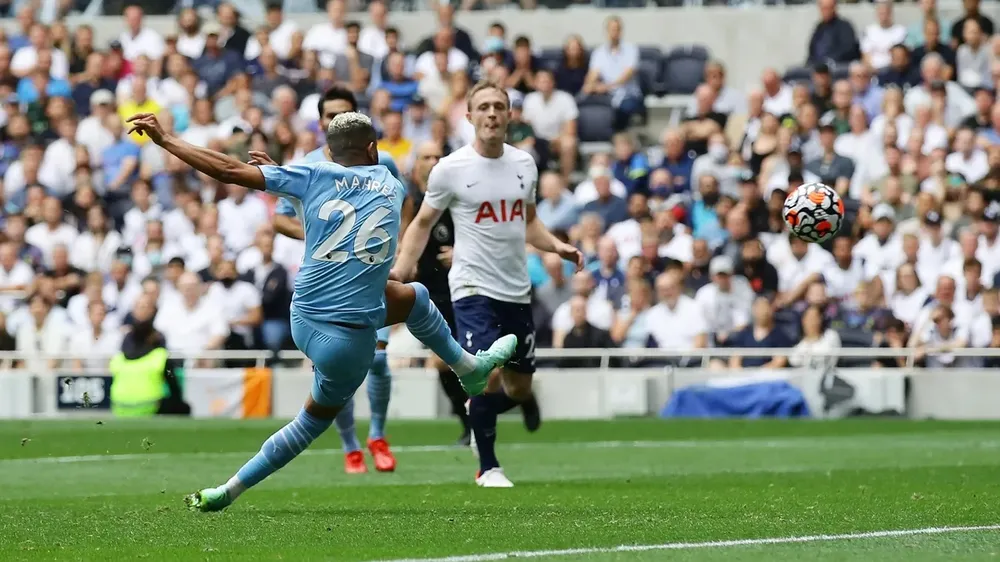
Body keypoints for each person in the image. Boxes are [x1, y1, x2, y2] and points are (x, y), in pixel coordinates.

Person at [124, 110, 515, 512]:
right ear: (373, 149)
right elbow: (353, 206)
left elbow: (228, 170)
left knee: (409, 295)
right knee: (315, 416)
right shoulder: (392, 185)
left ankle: (466, 370)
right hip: (350, 338)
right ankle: (468, 368)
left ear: (329, 152)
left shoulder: (310, 175)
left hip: (304, 319)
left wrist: (167, 140)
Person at [392, 80, 584, 488]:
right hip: (472, 289)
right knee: (484, 375)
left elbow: (529, 223)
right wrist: (402, 268)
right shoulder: (451, 169)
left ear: (510, 115)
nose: (492, 113)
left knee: (518, 388)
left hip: (516, 290)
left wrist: (556, 246)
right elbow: (422, 223)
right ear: (469, 116)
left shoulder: (524, 164)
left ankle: (487, 412)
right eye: (484, 107)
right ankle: (489, 467)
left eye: (499, 106)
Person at [271, 86, 405, 474]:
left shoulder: (381, 162)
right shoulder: (308, 166)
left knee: (378, 361)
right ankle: (350, 446)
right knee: (335, 373)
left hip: (370, 277)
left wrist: (395, 248)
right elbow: (279, 218)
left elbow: (402, 202)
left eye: (344, 113)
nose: (337, 120)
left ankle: (378, 435)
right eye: (331, 115)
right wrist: (319, 234)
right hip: (328, 283)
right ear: (320, 123)